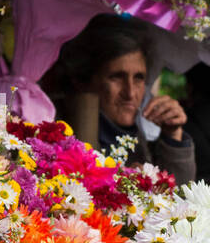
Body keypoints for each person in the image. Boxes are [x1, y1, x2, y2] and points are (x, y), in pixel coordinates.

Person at [44, 14, 196, 184]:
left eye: (138, 78)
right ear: (84, 79)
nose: (130, 93)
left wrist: (173, 136)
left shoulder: (140, 137)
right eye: (116, 77)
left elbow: (179, 197)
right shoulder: (56, 131)